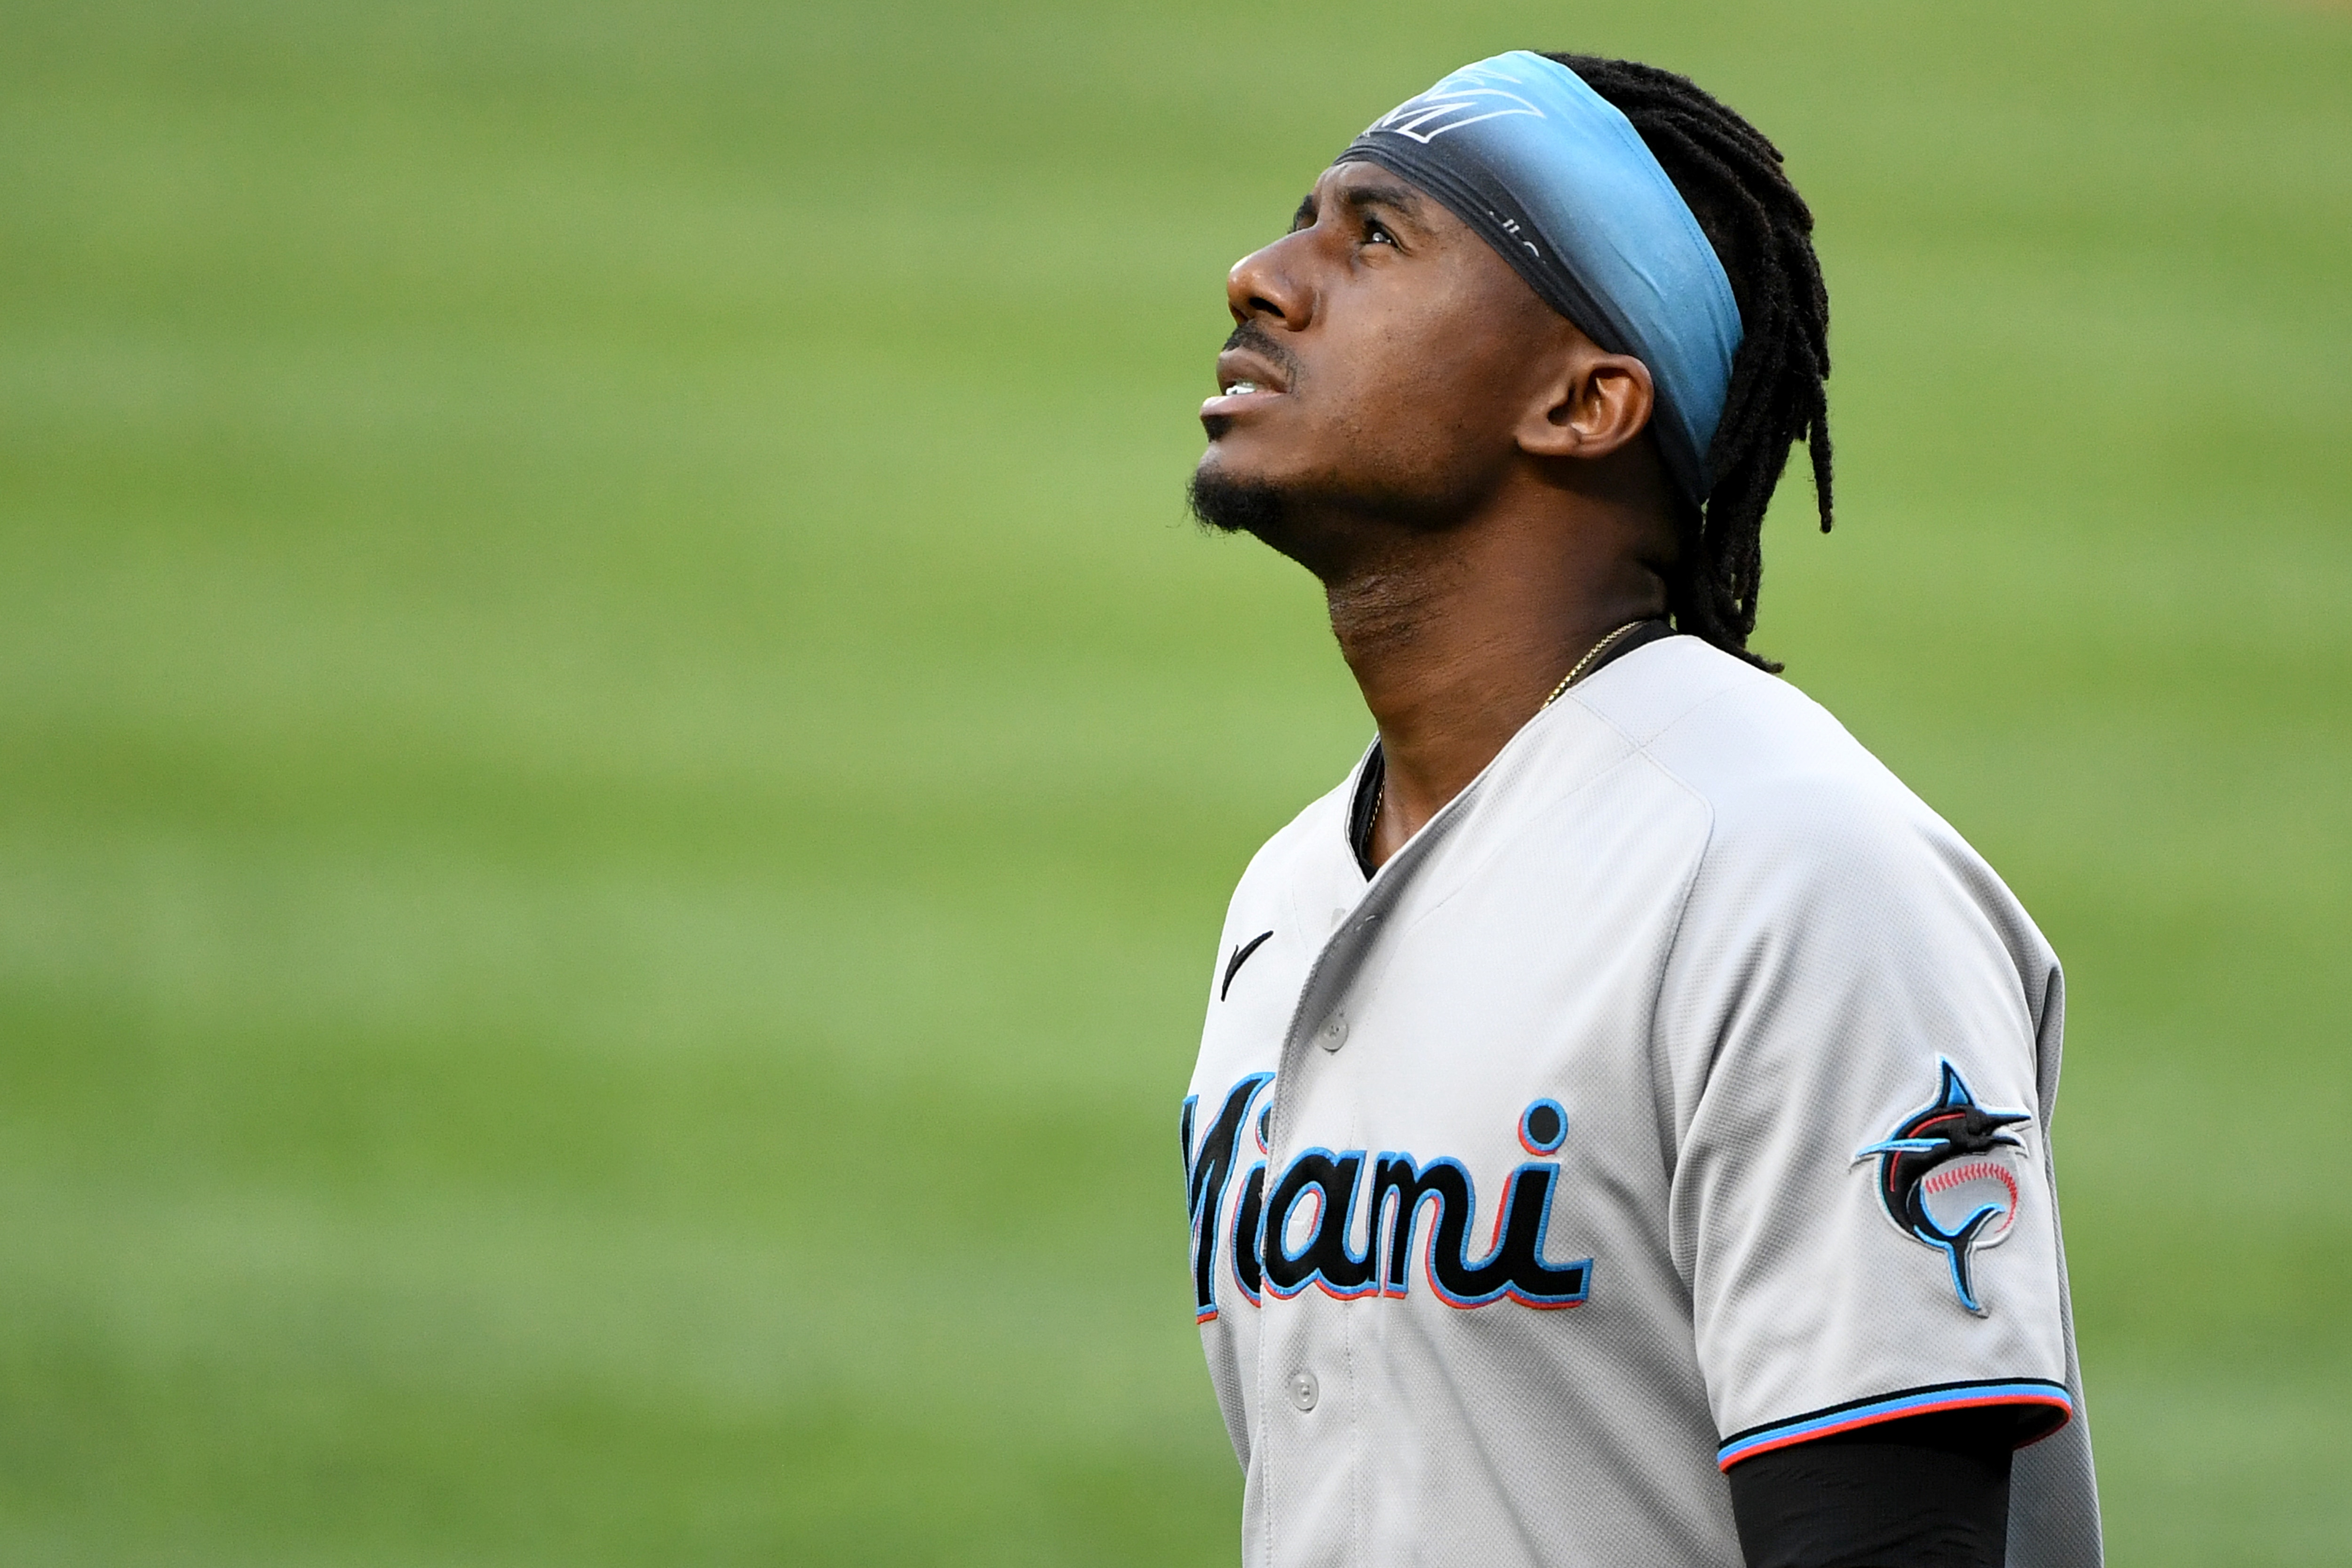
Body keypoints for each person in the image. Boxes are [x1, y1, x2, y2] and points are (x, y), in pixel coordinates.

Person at [1177, 51, 2100, 1568]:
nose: (1261, 278)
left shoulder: (1790, 875)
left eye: (1377, 237)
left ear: (1585, 399)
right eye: (1302, 224)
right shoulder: (1287, 899)